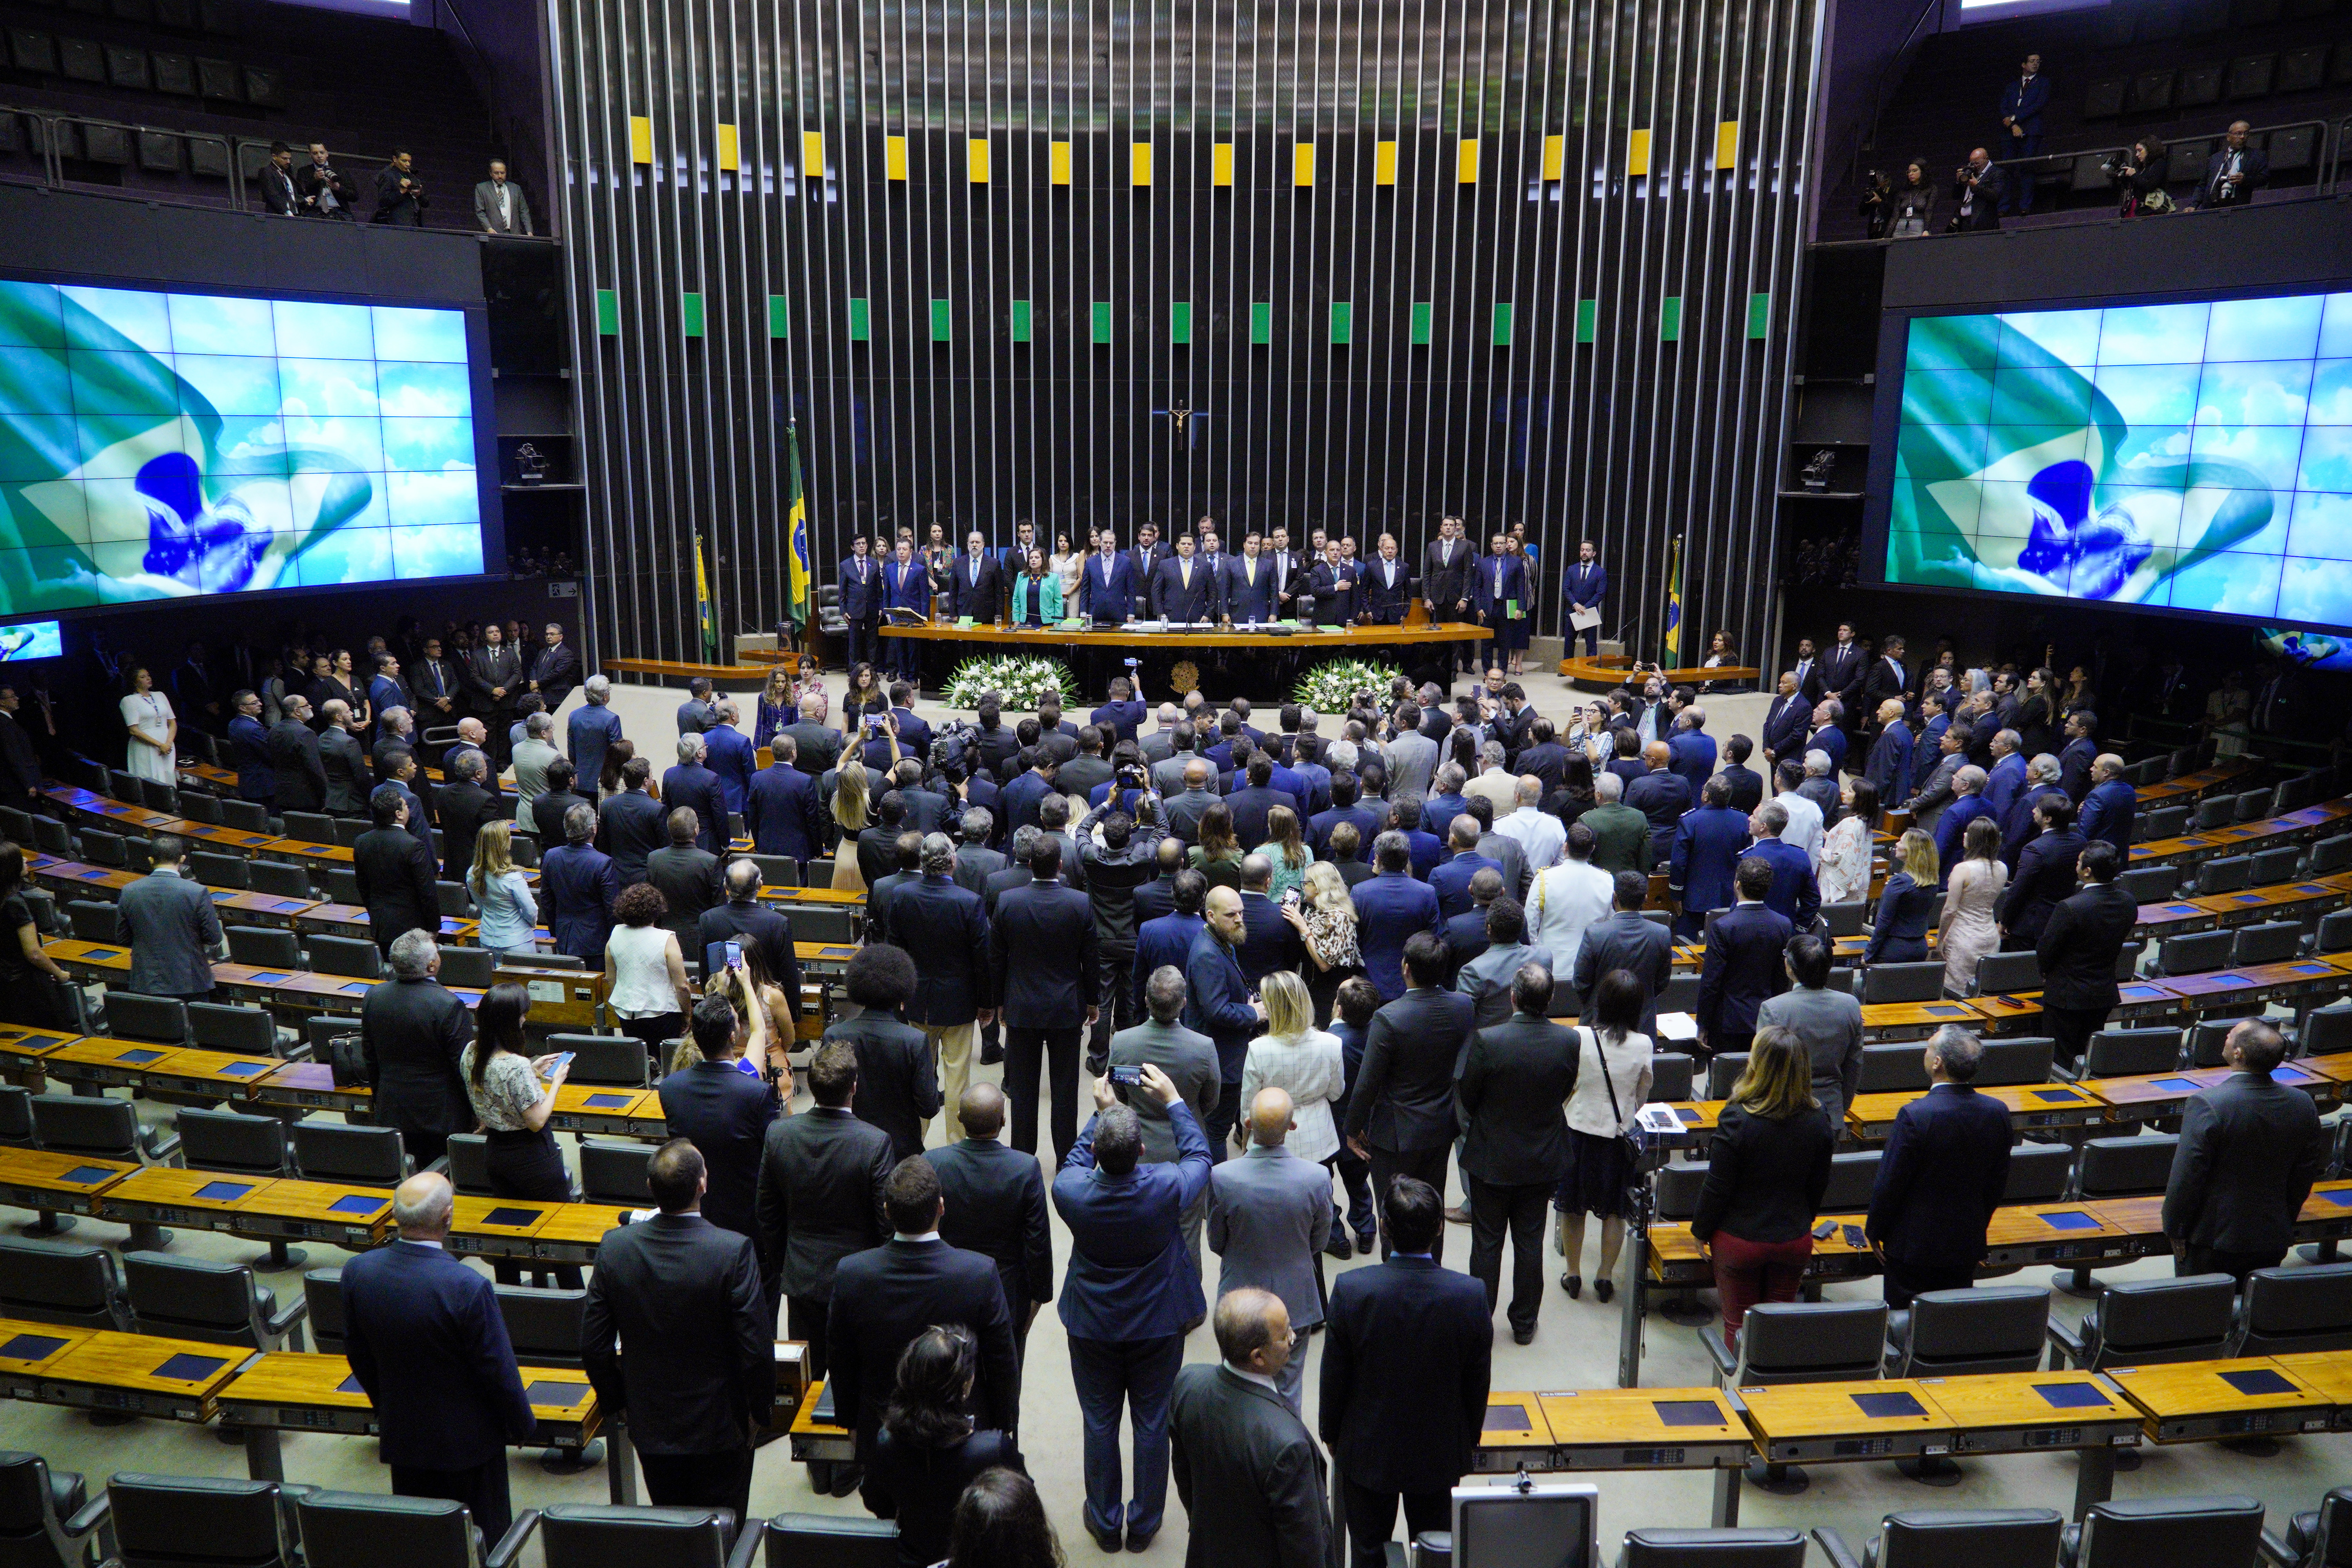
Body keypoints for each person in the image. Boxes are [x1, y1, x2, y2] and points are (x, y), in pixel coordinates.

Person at [1055, 1063, 1212, 1554]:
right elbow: (1201, 1155)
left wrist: (1100, 1116)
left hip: (1093, 1323)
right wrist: (1174, 1101)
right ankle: (1144, 1524)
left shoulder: (1071, 1192)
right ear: (1142, 1150)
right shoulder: (1166, 1186)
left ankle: (1104, 1522)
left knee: (1099, 1421)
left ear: (1098, 1152)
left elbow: (1073, 1163)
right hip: (1158, 1322)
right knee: (1151, 1423)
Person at [583, 1139, 774, 1519]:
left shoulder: (615, 1248)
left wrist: (616, 1403)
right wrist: (761, 1411)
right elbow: (755, 1347)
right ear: (703, 1185)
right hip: (721, 1424)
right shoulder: (733, 1251)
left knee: (672, 1526)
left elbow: (594, 1344)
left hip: (650, 1421)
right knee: (725, 1529)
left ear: (651, 1188)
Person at [340, 1173, 537, 1539]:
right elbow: (497, 1369)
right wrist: (522, 1423)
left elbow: (358, 1353)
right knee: (485, 1543)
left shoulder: (358, 1272)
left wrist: (386, 1406)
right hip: (470, 1448)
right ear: (448, 1217)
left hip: (404, 1436)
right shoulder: (466, 1286)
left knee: (424, 1542)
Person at [830, 1157, 1022, 1517]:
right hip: (963, 1429)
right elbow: (1002, 1360)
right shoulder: (978, 1273)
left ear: (887, 1211)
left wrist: (850, 1424)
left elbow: (841, 1359)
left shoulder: (852, 1273)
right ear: (941, 1207)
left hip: (884, 1427)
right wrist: (1004, 1426)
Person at [1320, 1175, 1489, 1568]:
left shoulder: (1351, 1290)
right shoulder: (1469, 1295)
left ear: (1384, 1226)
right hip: (1438, 1450)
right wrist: (1468, 1437)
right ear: (1441, 1227)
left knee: (1368, 1549)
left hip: (1366, 1448)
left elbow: (1335, 1376)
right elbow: (1476, 1380)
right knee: (1435, 1550)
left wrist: (1332, 1433)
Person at [756, 1042, 895, 1490]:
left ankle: (817, 1466)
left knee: (808, 1374)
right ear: (855, 1087)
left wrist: (783, 1265)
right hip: (857, 1280)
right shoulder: (874, 1143)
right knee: (857, 1372)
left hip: (801, 1273)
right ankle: (851, 1463)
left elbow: (768, 1213)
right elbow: (884, 1222)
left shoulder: (780, 1135)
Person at [1691, 1027, 1837, 1350]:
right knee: (1776, 1328)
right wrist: (1803, 1220)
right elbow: (1819, 1182)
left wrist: (1700, 1230)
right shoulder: (1819, 1118)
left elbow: (1718, 1186)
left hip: (1739, 1239)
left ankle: (1739, 1396)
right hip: (1793, 1238)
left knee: (1738, 1326)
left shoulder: (1737, 1117)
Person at [1167, 1287, 1331, 1568]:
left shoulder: (1188, 1384)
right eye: (1285, 1335)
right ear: (1258, 1357)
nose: (1293, 1339)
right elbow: (1305, 1551)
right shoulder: (1288, 1445)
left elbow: (1186, 1477)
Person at [1456, 963, 1574, 1343]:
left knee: (1487, 1243)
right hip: (1541, 1157)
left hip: (1493, 1156)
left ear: (1513, 997)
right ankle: (1524, 1324)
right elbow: (1563, 1089)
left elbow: (1469, 1097)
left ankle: (1478, 1322)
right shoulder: (1568, 1041)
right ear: (1551, 998)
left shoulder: (1489, 1040)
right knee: (1530, 1242)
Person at [2163, 1019, 2327, 1285]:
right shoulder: (2302, 1103)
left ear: (2239, 1054)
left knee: (2204, 1315)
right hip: (2271, 1234)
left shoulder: (2208, 1104)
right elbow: (2304, 1173)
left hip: (2212, 1238)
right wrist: (2284, 1218)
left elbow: (2187, 1176)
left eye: (2231, 1036)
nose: (2226, 1037)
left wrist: (2175, 1229)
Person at [1344, 931, 1475, 1260]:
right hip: (1440, 1125)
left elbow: (1366, 1084)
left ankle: (1395, 1279)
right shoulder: (1463, 1006)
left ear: (1405, 968)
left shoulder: (1389, 1018)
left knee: (1394, 1214)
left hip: (1395, 1133)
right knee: (1433, 1209)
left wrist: (1352, 1129)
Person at [1864, 1025, 2012, 1307]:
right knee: (1951, 1322)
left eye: (1929, 1047)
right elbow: (1997, 1184)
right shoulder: (1998, 1112)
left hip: (1913, 1247)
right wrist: (1977, 1227)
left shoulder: (1915, 1115)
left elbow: (1890, 1183)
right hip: (1965, 1242)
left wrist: (1875, 1230)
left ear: (1937, 1063)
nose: (1925, 1050)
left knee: (1905, 1324)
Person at [1207, 1087, 1333, 1412]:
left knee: (1239, 1385)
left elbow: (1215, 1241)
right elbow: (1319, 1241)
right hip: (1296, 1298)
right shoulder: (1317, 1178)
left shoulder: (1222, 1177)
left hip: (1239, 1303)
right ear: (1292, 1128)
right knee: (1289, 1387)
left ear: (1247, 1123)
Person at [870, 1327, 1029, 1568]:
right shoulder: (994, 1449)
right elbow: (1025, 1508)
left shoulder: (886, 1442)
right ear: (965, 1387)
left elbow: (877, 1502)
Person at [928, 1083, 1055, 1370]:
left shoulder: (935, 1163)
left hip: (949, 1289)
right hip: (1007, 1295)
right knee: (1005, 1381)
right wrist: (1038, 1296)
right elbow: (1038, 1239)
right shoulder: (1025, 1168)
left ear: (959, 1118)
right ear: (1003, 1122)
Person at [459, 983, 576, 1286]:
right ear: (511, 1021)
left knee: (508, 1231)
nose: (525, 1020)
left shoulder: (471, 1052)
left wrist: (532, 1070)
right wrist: (556, 1084)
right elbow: (537, 1120)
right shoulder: (515, 1066)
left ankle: (510, 1296)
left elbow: (494, 1090)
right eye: (523, 1015)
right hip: (532, 1157)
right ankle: (574, 1297)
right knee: (557, 1232)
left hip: (497, 1153)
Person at [991, 834, 1097, 1161]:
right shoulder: (1080, 903)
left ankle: (1023, 1153)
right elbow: (1090, 958)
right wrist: (1093, 1001)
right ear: (1061, 866)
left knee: (1022, 1089)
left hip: (1021, 1006)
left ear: (1030, 865)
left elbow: (997, 958)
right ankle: (1066, 1155)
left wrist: (997, 1002)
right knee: (1065, 1089)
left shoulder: (1008, 901)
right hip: (1066, 1007)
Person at [1553, 969, 1653, 1303]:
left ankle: (1573, 1272)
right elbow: (1642, 1095)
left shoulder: (1579, 1037)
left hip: (1577, 1133)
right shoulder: (1643, 1044)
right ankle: (1606, 1276)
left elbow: (1566, 1084)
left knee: (1572, 1208)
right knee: (1615, 1211)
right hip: (1616, 1137)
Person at [889, 833, 995, 1143]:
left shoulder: (902, 895)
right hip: (959, 1005)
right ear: (952, 861)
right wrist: (986, 1004)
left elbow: (894, 952)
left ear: (923, 862)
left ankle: (914, 1143)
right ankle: (956, 1144)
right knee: (958, 1079)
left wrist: (899, 996)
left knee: (919, 1078)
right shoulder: (969, 902)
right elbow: (982, 961)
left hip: (916, 1000)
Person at [659, 990, 784, 1246]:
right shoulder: (756, 1093)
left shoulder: (670, 1088)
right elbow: (774, 1156)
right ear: (733, 1036)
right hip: (746, 1217)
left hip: (692, 1210)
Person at [823, 944, 942, 1159]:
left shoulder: (834, 1035)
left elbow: (825, 1099)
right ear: (903, 988)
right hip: (900, 1151)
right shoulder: (914, 1041)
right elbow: (929, 1108)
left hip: (848, 1149)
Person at [2036, 840, 2136, 1071]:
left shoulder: (2071, 907)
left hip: (2066, 996)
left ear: (2088, 872)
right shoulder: (2128, 902)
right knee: (2090, 1057)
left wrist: (2047, 973)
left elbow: (2046, 950)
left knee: (2060, 1063)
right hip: (2102, 993)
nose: (2077, 865)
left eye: (2080, 862)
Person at [1753, 934, 1865, 1129]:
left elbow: (1764, 1070)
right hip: (1831, 1113)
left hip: (1783, 1116)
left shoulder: (1773, 1009)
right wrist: (1840, 1108)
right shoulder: (1850, 1004)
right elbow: (1854, 1064)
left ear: (1790, 968)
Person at [1696, 858, 1792, 1060]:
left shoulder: (1723, 927)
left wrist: (1703, 1024)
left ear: (1737, 885)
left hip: (1728, 1023)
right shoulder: (1783, 924)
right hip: (1768, 1020)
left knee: (1726, 1084)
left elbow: (1711, 982)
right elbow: (1782, 979)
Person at [110, 833, 221, 1004]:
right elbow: (213, 937)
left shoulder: (130, 891)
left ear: (150, 860)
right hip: (189, 980)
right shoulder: (196, 892)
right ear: (182, 859)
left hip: (146, 981)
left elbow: (123, 938)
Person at [1571, 869, 1674, 1040]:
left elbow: (1581, 982)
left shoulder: (1595, 934)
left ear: (1615, 897)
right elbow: (1661, 983)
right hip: (1641, 1025)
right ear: (1646, 899)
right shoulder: (1661, 933)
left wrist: (1597, 1003)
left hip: (1599, 1026)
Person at [606, 882, 696, 1064]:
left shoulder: (615, 934)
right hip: (663, 1013)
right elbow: (682, 986)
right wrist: (687, 1014)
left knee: (639, 1062)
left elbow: (611, 979)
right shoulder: (666, 939)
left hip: (627, 1012)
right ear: (656, 910)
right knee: (667, 1062)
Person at [352, 784, 439, 959]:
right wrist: (434, 927)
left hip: (381, 924)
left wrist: (375, 914)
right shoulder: (414, 846)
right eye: (406, 806)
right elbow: (427, 891)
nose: (408, 809)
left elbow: (363, 886)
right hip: (412, 927)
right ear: (399, 814)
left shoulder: (362, 842)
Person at [1997, 792, 2084, 951]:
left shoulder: (2035, 849)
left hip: (2031, 926)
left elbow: (2018, 890)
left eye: (2037, 809)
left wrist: (2005, 921)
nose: (2033, 812)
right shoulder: (2080, 841)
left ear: (2047, 819)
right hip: (2063, 919)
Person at [542, 800, 620, 964]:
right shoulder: (603, 863)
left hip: (565, 937)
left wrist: (557, 931)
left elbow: (547, 902)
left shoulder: (551, 856)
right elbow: (612, 908)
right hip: (596, 942)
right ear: (594, 828)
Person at [1939, 815, 2007, 998]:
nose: (1964, 835)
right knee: (1978, 995)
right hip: (1989, 935)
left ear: (1973, 839)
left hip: (1963, 938)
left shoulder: (1963, 869)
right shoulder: (2003, 868)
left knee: (1955, 996)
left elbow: (1950, 910)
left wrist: (1940, 940)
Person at [646, 808, 723, 951]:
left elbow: (651, 901)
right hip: (700, 939)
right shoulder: (710, 862)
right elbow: (719, 906)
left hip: (663, 938)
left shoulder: (654, 859)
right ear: (696, 830)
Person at [1864, 828, 1940, 966]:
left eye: (1901, 842)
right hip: (1920, 947)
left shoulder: (1899, 883)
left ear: (1912, 850)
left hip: (1893, 949)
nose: (1897, 845)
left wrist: (1869, 954)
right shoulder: (1932, 881)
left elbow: (1884, 922)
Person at [1422, 516, 1475, 671]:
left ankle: (1452, 671)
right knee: (1438, 637)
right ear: (1441, 528)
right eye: (1445, 525)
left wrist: (1465, 598)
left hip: (1456, 598)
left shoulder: (1465, 547)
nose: (1448, 528)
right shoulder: (1433, 546)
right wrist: (1427, 597)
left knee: (1454, 637)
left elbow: (1468, 574)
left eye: (1451, 525)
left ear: (1456, 528)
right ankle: (1438, 669)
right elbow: (1427, 573)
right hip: (1436, 598)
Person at [119, 665, 176, 786]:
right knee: (151, 778)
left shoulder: (160, 695)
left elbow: (172, 722)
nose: (148, 678)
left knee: (168, 776)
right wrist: (160, 745)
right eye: (143, 677)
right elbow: (134, 730)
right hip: (147, 745)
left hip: (167, 744)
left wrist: (168, 743)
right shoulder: (129, 700)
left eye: (148, 675)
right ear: (135, 682)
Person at [2193, 120, 2267, 208]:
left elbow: (2264, 178)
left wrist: (2245, 180)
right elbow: (2203, 185)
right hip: (2211, 206)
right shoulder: (2215, 158)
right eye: (2239, 134)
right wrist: (2193, 205)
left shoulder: (2256, 156)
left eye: (2246, 133)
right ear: (2229, 137)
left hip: (2237, 205)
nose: (2243, 137)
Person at [1561, 539, 1607, 657]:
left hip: (1589, 612)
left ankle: (1591, 669)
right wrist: (1575, 605)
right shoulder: (1572, 569)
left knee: (1591, 643)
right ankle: (1567, 668)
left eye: (1588, 550)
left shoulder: (1600, 572)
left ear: (1594, 553)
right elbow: (1566, 589)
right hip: (1572, 611)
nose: (1584, 553)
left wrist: (1586, 607)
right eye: (1582, 550)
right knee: (1569, 642)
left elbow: (1600, 593)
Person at [474, 158, 534, 234]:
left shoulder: (516, 189)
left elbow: (524, 211)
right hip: (494, 233)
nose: (500, 176)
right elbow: (480, 212)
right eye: (496, 173)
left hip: (514, 233)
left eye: (503, 173)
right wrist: (489, 228)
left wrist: (529, 230)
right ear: (491, 173)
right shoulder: (482, 189)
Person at [1951, 147, 2005, 231]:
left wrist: (1976, 187)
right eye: (1972, 164)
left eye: (1977, 163)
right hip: (1965, 222)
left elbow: (1995, 196)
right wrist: (1959, 182)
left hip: (1984, 222)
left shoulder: (1997, 173)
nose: (1975, 166)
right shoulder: (1971, 172)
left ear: (1986, 159)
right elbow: (1956, 196)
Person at [375, 147, 426, 225]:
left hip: (415, 223)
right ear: (395, 159)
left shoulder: (412, 176)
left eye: (410, 161)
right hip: (396, 223)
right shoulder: (388, 175)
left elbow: (426, 203)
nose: (408, 164)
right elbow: (383, 202)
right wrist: (401, 191)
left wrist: (419, 195)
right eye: (404, 161)